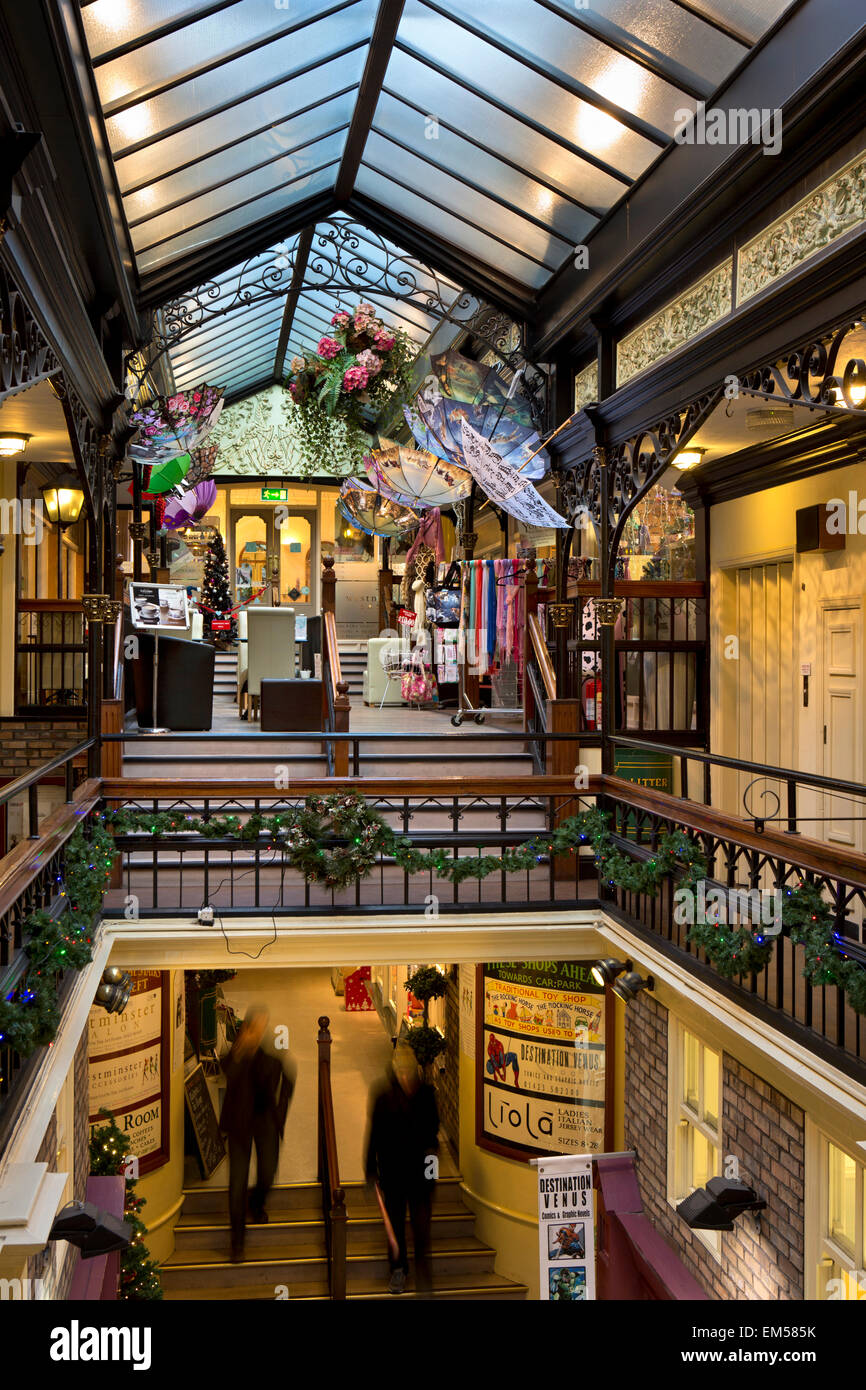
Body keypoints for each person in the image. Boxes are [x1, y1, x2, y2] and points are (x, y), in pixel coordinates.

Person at [219, 1004, 295, 1262]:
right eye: (256, 1027)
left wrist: (280, 1117)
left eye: (263, 1027)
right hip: (239, 1125)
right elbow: (227, 1071)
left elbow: (283, 1083)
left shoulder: (269, 1059)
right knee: (236, 1183)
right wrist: (241, 1052)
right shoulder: (234, 1055)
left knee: (268, 1172)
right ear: (247, 1027)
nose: (260, 1032)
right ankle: (237, 1243)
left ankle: (257, 1201)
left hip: (264, 1123)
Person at [364, 1042, 439, 1296]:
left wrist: (432, 1175)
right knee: (394, 1226)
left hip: (420, 1176)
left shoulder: (427, 1095)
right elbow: (373, 1135)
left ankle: (423, 1273)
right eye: (401, 1072)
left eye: (409, 1072)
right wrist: (370, 1170)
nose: (405, 1077)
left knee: (421, 1228)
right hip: (393, 1175)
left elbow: (432, 1139)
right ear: (395, 1071)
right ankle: (398, 1269)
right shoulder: (383, 1096)